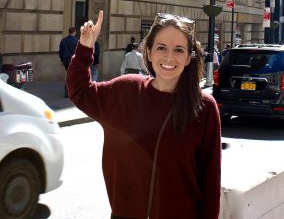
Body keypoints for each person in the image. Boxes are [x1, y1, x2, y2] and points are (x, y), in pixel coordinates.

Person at [66, 11, 221, 219]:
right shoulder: (125, 90)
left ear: (187, 58)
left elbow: (210, 184)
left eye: (178, 50)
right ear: (148, 52)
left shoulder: (204, 107)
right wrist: (85, 47)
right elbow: (80, 91)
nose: (169, 57)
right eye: (161, 48)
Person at [59, 27, 78, 97]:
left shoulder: (63, 41)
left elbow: (60, 51)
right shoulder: (76, 41)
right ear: (74, 32)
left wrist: (61, 60)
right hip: (73, 61)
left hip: (66, 61)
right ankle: (71, 91)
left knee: (69, 75)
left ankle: (68, 91)